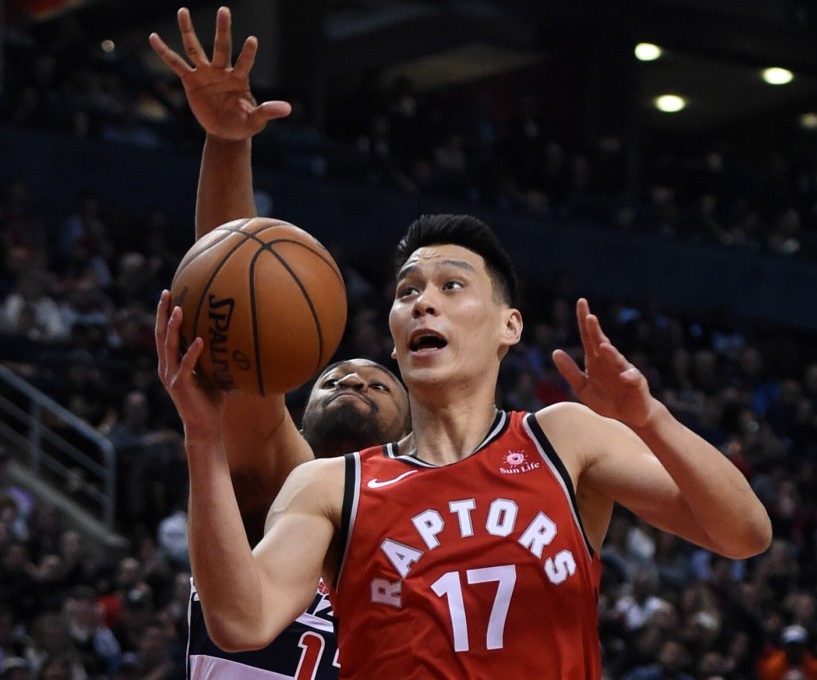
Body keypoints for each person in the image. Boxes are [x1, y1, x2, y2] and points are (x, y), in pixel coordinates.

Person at [153, 6, 771, 680]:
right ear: (395, 338)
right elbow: (240, 621)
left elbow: (744, 533)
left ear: (510, 325)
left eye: (452, 285)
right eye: (408, 288)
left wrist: (650, 418)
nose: (423, 298)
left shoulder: (563, 440)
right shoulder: (330, 485)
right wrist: (200, 437)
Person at [150, 7, 411, 679]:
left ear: (408, 435)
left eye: (376, 383)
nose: (353, 381)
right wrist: (228, 144)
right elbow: (232, 291)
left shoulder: (431, 529)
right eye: (336, 379)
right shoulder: (280, 481)